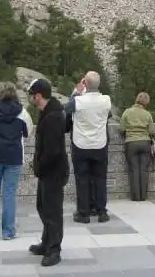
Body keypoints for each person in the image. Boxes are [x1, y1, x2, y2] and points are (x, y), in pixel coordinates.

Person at [0, 81, 34, 240]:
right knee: (9, 194)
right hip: (14, 156)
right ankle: (9, 231)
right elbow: (28, 132)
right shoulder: (22, 113)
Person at [27, 78, 70, 267]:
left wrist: (40, 165)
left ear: (38, 95)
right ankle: (46, 243)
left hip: (53, 170)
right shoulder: (48, 112)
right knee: (42, 207)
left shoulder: (53, 116)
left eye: (32, 95)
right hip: (46, 171)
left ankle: (54, 249)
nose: (31, 98)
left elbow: (52, 150)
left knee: (52, 211)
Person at [65, 71, 112, 223]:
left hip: (81, 145)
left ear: (85, 83)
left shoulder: (78, 101)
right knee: (100, 179)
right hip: (100, 144)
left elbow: (66, 108)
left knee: (82, 180)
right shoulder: (106, 100)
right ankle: (102, 212)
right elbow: (108, 114)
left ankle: (83, 213)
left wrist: (76, 92)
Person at [118, 92, 155, 201]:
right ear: (146, 102)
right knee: (144, 170)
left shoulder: (127, 112)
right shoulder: (147, 114)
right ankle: (143, 196)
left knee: (134, 169)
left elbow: (121, 128)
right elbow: (152, 131)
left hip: (131, 143)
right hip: (145, 143)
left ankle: (135, 196)